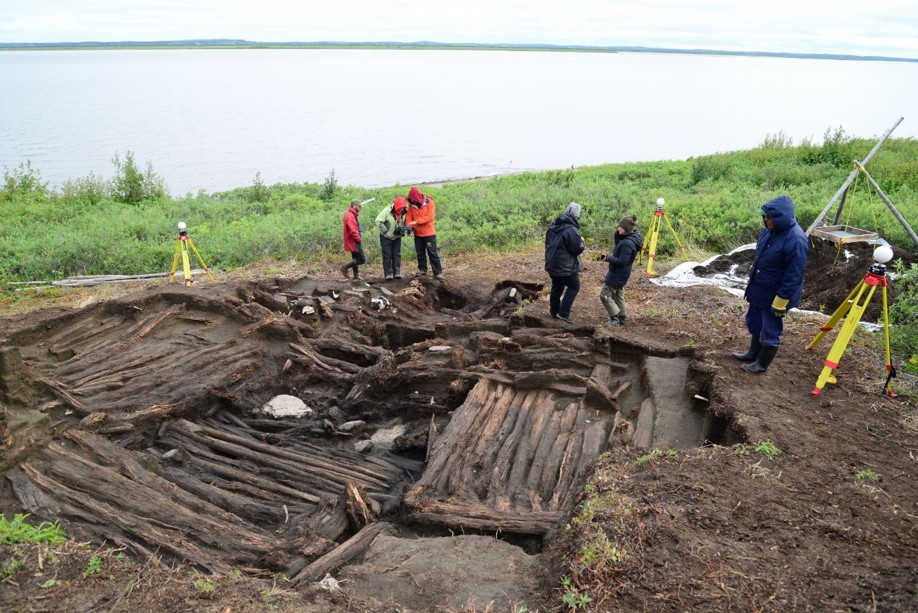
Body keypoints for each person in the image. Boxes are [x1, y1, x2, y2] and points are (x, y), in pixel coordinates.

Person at [730, 194, 809, 373]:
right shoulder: (768, 231)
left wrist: (781, 299)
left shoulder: (796, 239)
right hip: (760, 287)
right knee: (754, 321)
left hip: (776, 294)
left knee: (770, 329)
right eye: (764, 216)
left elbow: (794, 275)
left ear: (780, 218)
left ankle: (762, 363)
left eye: (769, 217)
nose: (765, 220)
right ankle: (753, 352)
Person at [544, 202, 585, 324]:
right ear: (576, 216)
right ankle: (563, 313)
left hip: (552, 264)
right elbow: (577, 248)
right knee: (574, 286)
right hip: (565, 266)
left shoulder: (553, 225)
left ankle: (554, 310)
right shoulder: (572, 230)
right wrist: (582, 241)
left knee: (557, 285)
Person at [598, 215, 642, 326]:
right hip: (622, 273)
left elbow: (622, 260)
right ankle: (621, 317)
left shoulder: (627, 243)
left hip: (618, 273)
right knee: (618, 295)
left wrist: (608, 258)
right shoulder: (630, 238)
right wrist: (618, 234)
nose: (617, 228)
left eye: (620, 227)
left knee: (604, 294)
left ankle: (614, 318)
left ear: (625, 228)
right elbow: (619, 244)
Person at [405, 186, 444, 280]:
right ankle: (422, 270)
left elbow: (430, 217)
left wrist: (417, 222)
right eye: (411, 200)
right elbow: (408, 219)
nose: (412, 201)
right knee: (420, 253)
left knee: (432, 253)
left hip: (429, 234)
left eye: (413, 199)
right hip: (418, 235)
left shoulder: (430, 203)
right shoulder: (411, 207)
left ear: (417, 197)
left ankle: (438, 273)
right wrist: (409, 228)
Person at [376, 196, 410, 280]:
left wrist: (404, 229)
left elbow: (407, 221)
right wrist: (385, 231)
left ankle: (397, 272)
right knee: (387, 255)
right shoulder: (387, 211)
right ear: (396, 206)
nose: (400, 210)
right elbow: (378, 221)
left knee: (397, 255)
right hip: (386, 237)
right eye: (399, 209)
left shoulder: (404, 212)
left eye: (402, 208)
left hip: (397, 237)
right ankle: (388, 274)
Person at [340, 199, 365, 280]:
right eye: (359, 206)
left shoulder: (351, 214)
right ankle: (344, 267)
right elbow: (353, 231)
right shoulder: (350, 215)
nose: (360, 208)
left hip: (352, 240)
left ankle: (356, 276)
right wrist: (359, 239)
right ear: (354, 206)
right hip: (354, 241)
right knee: (361, 259)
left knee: (355, 257)